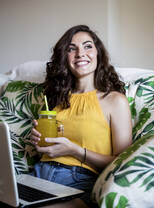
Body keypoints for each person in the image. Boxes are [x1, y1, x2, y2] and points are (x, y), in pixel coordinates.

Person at [30, 25, 132, 208]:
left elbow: (123, 162)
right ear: (64, 57)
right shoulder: (56, 99)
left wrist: (75, 150)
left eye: (87, 46)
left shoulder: (115, 101)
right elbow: (49, 149)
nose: (80, 53)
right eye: (71, 48)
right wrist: (40, 143)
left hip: (79, 180)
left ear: (98, 53)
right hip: (38, 174)